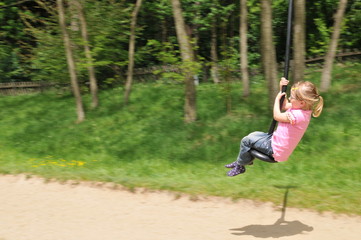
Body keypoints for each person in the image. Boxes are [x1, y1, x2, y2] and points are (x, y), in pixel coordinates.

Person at [225, 77, 324, 176]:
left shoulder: (299, 116)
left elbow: (277, 116)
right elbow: (284, 105)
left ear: (302, 103)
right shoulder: (301, 109)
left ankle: (240, 166)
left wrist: (277, 99)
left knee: (246, 141)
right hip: (274, 140)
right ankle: (244, 160)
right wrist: (282, 89)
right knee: (253, 135)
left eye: (292, 97)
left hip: (275, 149)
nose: (289, 98)